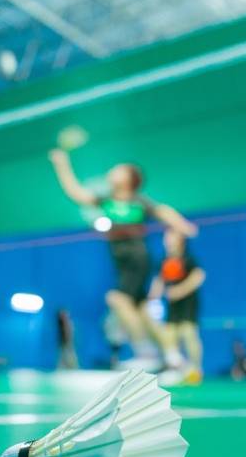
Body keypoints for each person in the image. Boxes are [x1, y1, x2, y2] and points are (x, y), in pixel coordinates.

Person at [48, 148, 197, 371]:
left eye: (119, 170)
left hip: (136, 256)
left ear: (129, 179)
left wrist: (182, 224)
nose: (112, 171)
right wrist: (62, 164)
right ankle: (173, 358)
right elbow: (77, 193)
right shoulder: (106, 200)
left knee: (117, 299)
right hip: (121, 261)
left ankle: (146, 354)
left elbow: (163, 211)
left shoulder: (138, 202)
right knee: (142, 311)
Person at [149, 229, 206, 385]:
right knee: (168, 335)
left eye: (170, 236)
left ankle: (196, 369)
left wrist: (180, 290)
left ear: (180, 239)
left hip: (188, 305)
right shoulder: (163, 260)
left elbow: (199, 276)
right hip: (171, 306)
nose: (167, 240)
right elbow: (159, 280)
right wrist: (154, 294)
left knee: (188, 333)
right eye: (165, 237)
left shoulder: (188, 258)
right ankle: (177, 368)